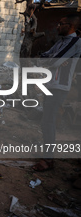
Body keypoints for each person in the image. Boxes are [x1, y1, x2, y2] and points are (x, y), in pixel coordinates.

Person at [33, 14, 81, 171]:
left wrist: (52, 60)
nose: (58, 26)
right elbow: (46, 56)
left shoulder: (75, 42)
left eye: (61, 24)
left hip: (59, 87)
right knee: (46, 121)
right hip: (51, 84)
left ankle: (48, 160)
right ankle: (47, 155)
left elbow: (54, 61)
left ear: (70, 26)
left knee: (49, 121)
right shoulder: (61, 42)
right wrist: (51, 60)